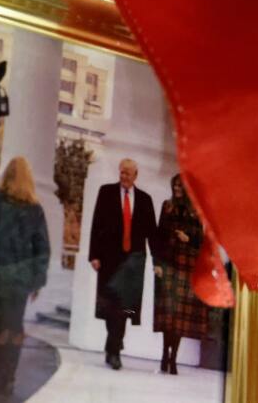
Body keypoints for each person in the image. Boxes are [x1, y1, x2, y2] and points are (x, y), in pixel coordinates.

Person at [0, 156, 50, 396]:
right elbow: (42, 249)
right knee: (14, 327)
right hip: (20, 279)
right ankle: (8, 378)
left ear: (7, 175)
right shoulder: (35, 210)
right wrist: (37, 281)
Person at [88, 158, 160, 370]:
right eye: (122, 172)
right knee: (110, 306)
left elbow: (152, 234)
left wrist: (157, 261)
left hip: (133, 262)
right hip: (109, 259)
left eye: (128, 173)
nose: (124, 176)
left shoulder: (145, 200)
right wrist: (94, 255)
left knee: (124, 308)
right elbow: (96, 224)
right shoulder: (106, 192)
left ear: (136, 175)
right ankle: (114, 344)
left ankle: (114, 351)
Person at [153, 174, 209, 375]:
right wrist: (156, 264)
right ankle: (164, 354)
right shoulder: (167, 207)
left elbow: (201, 241)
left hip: (186, 267)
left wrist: (188, 238)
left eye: (180, 186)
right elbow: (158, 237)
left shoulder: (196, 212)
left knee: (179, 317)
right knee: (167, 314)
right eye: (175, 185)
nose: (176, 188)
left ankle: (173, 358)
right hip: (167, 264)